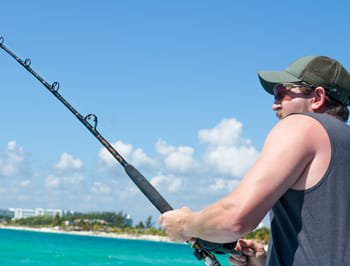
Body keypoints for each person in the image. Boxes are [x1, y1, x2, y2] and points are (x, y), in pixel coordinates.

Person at [159, 55, 350, 265]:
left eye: (281, 93)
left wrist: (185, 223)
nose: (275, 106)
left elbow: (234, 220)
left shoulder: (301, 126)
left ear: (317, 98)